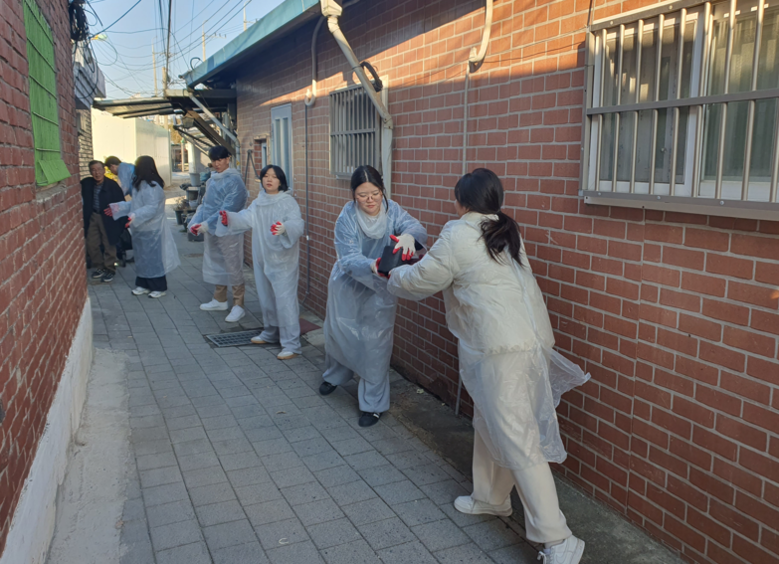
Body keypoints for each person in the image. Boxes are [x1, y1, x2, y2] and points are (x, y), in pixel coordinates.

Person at [382, 169, 589, 564]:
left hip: (501, 348)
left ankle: (558, 538)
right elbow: (464, 269)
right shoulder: (505, 230)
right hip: (528, 341)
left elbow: (422, 280)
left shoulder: (459, 232)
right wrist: (427, 259)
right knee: (492, 421)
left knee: (517, 437)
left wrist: (393, 273)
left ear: (462, 201)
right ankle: (491, 497)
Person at [319, 165, 427, 427]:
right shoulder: (346, 217)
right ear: (353, 195)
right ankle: (335, 375)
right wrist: (370, 265)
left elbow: (416, 227)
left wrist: (410, 237)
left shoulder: (393, 210)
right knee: (341, 333)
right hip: (348, 283)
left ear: (382, 190)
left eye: (375, 193)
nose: (370, 200)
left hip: (380, 288)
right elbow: (348, 257)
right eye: (362, 195)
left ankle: (373, 404)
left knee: (375, 344)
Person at [216, 165, 304, 360]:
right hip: (263, 257)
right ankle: (271, 332)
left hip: (283, 260)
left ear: (281, 180)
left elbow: (298, 223)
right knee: (266, 296)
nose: (269, 180)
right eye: (266, 176)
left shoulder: (287, 202)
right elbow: (246, 218)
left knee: (285, 300)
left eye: (274, 176)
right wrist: (230, 218)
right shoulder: (259, 202)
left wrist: (285, 228)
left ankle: (291, 343)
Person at [188, 146, 249, 323]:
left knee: (232, 265)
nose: (217, 163)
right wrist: (196, 222)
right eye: (214, 160)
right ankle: (220, 299)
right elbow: (205, 205)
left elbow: (229, 208)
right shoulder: (212, 180)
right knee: (216, 263)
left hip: (229, 230)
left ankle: (238, 304)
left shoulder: (235, 181)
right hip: (212, 230)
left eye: (220, 159)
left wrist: (207, 223)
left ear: (228, 159)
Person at [105, 156, 180, 298]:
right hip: (140, 228)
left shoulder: (153, 186)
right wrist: (119, 207)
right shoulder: (139, 185)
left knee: (153, 258)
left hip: (152, 229)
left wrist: (135, 215)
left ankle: (158, 286)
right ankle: (143, 283)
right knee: (141, 257)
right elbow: (135, 204)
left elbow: (152, 208)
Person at [81, 160, 125, 283]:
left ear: (104, 170)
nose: (97, 173)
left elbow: (121, 203)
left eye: (99, 169)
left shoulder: (112, 185)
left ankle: (110, 269)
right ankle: (99, 267)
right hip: (93, 216)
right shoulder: (87, 183)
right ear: (90, 172)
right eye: (93, 170)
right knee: (91, 243)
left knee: (109, 244)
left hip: (108, 218)